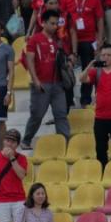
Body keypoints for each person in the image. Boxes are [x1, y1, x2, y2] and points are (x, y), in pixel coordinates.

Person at [21, 10, 70, 148]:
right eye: (52, 23)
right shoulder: (35, 39)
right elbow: (29, 60)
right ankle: (26, 140)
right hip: (42, 83)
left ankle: (65, 143)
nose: (55, 26)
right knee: (37, 115)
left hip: (58, 83)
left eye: (56, 24)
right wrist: (35, 80)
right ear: (43, 23)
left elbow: (65, 58)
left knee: (61, 114)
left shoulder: (58, 40)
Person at [81, 44, 111, 169]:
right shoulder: (95, 72)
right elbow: (82, 79)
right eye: (103, 55)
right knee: (100, 151)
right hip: (100, 118)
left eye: (109, 55)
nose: (106, 58)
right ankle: (104, 175)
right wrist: (89, 65)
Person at [65, 0, 104, 108]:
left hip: (89, 39)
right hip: (71, 41)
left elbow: (99, 20)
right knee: (67, 70)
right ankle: (68, 100)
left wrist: (99, 41)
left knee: (88, 70)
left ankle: (85, 99)